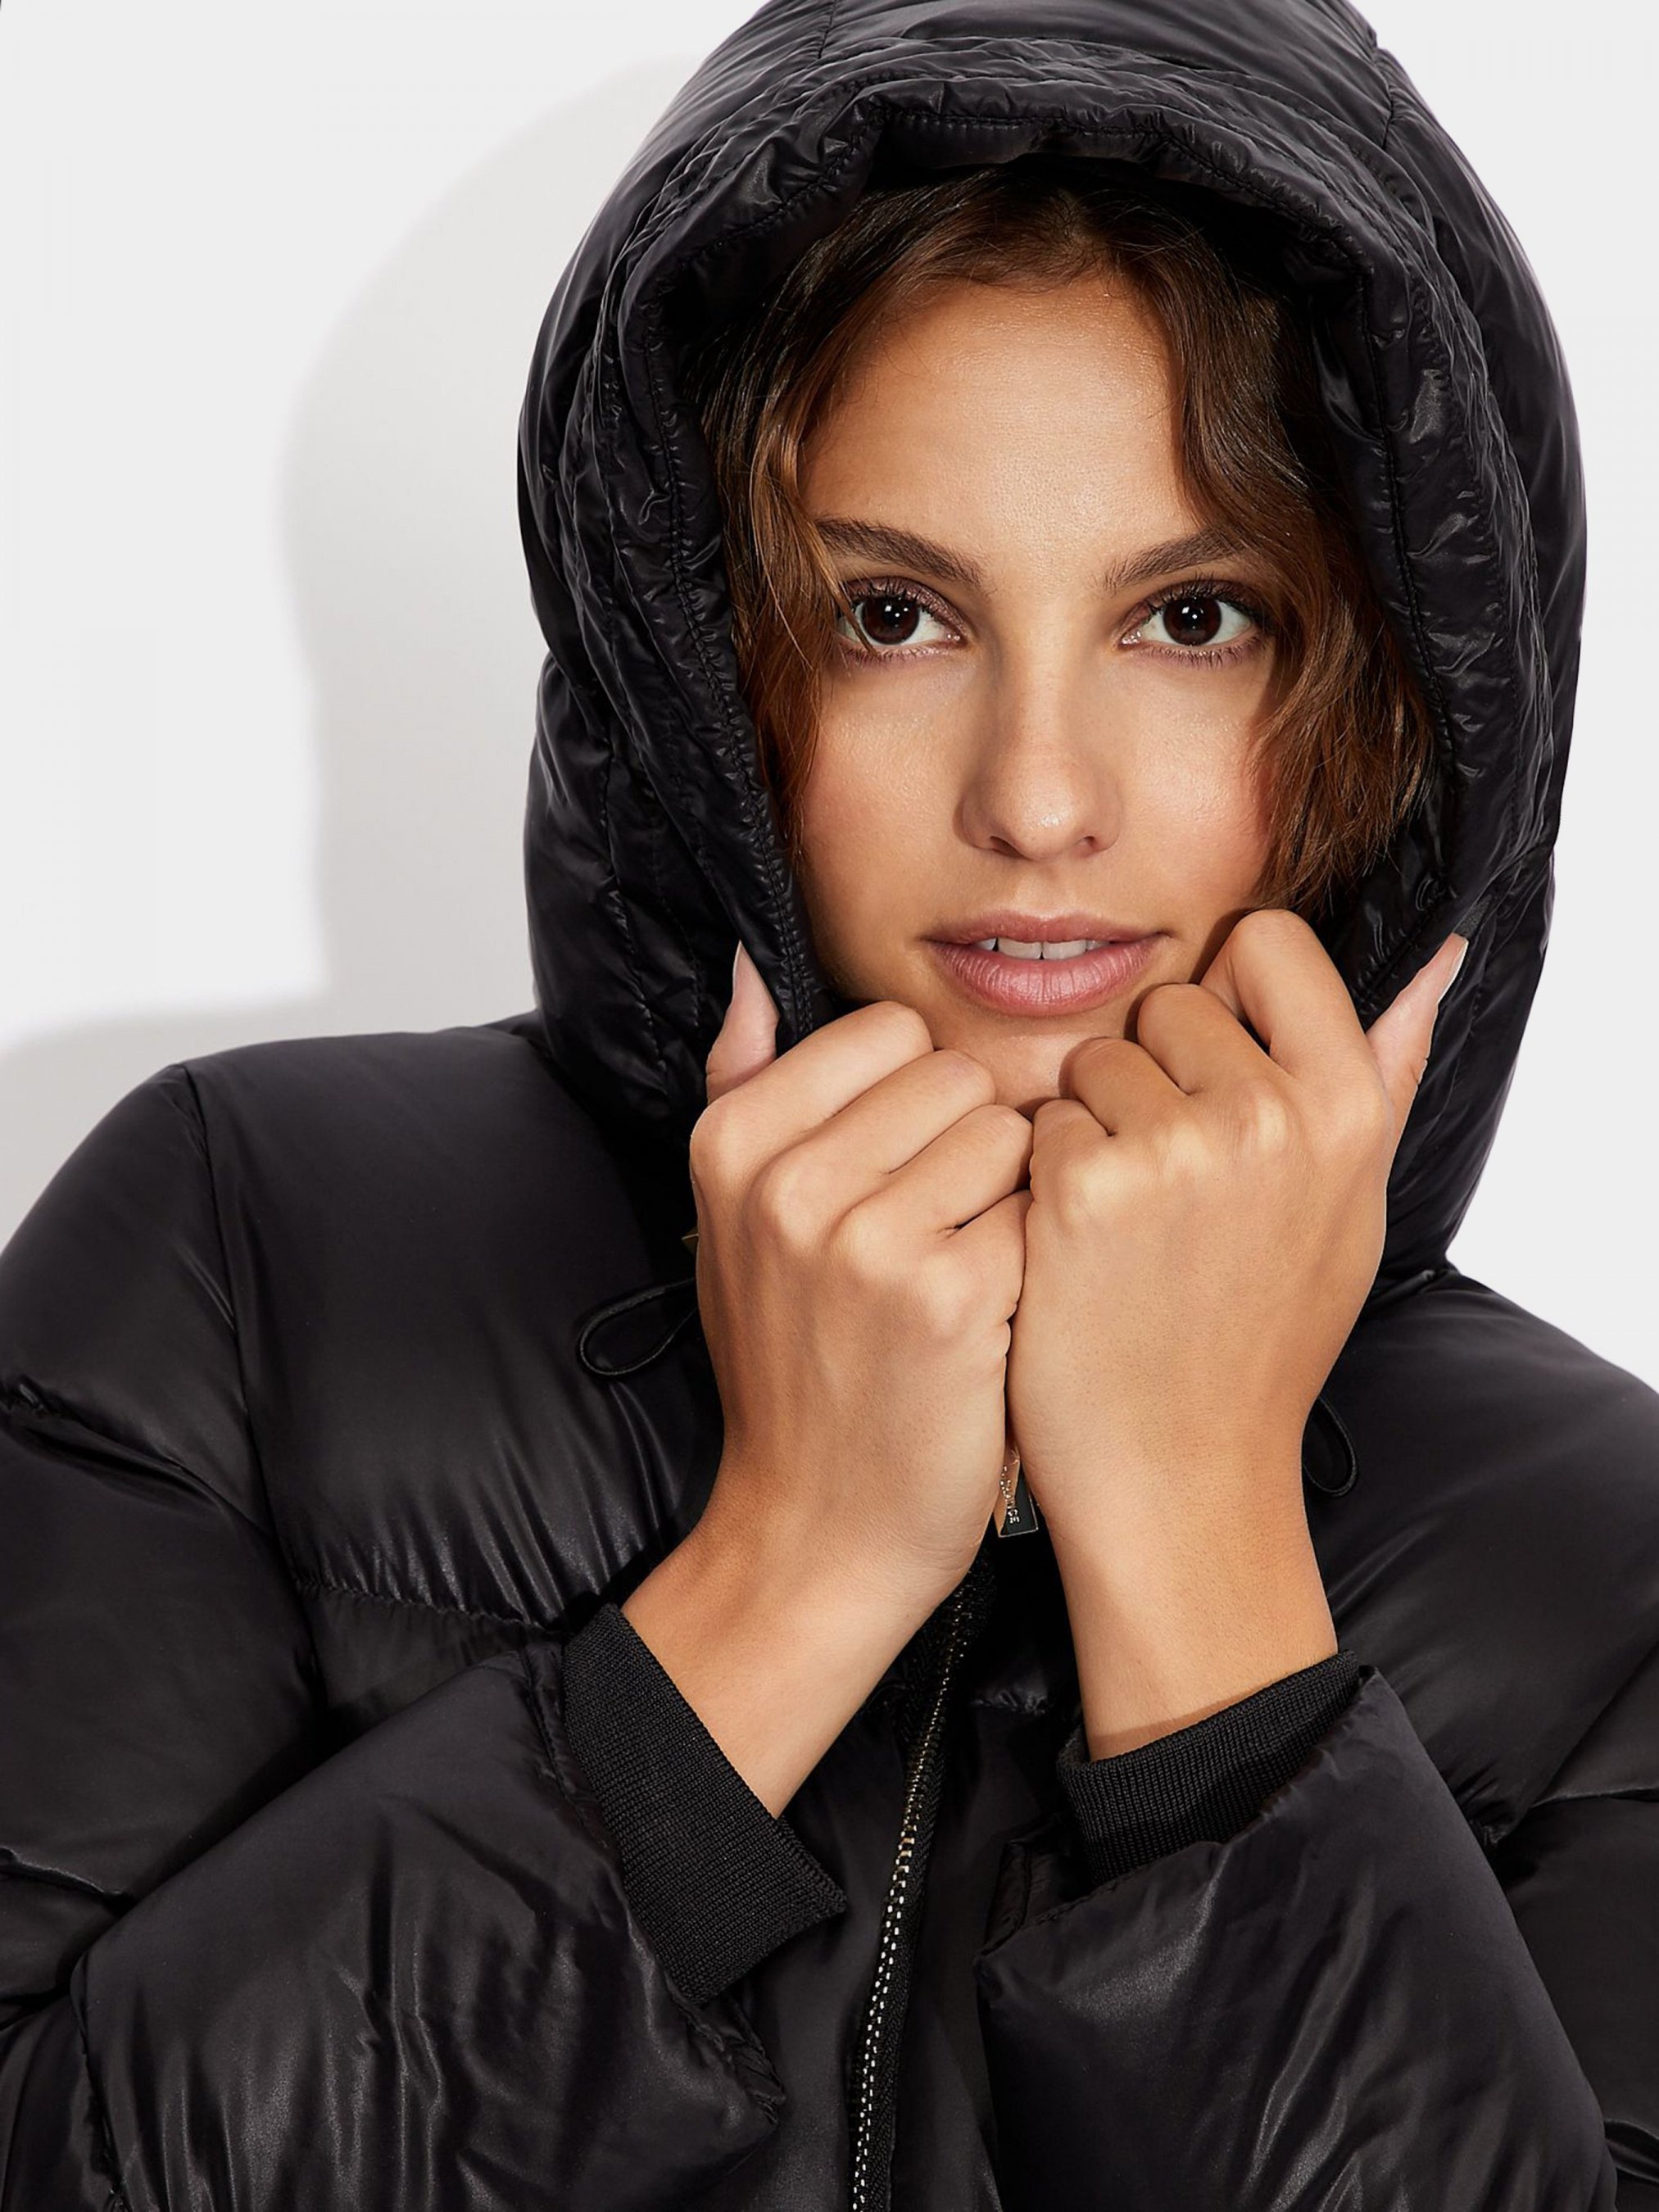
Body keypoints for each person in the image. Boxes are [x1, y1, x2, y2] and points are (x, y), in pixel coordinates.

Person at [0, 2, 1652, 2209]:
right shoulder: (244, 1254)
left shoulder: (1614, 1564)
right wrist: (785, 1576)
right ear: (702, 666)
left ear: (1399, 699)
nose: (1036, 798)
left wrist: (1204, 1561)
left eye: (1193, 617)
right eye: (893, 613)